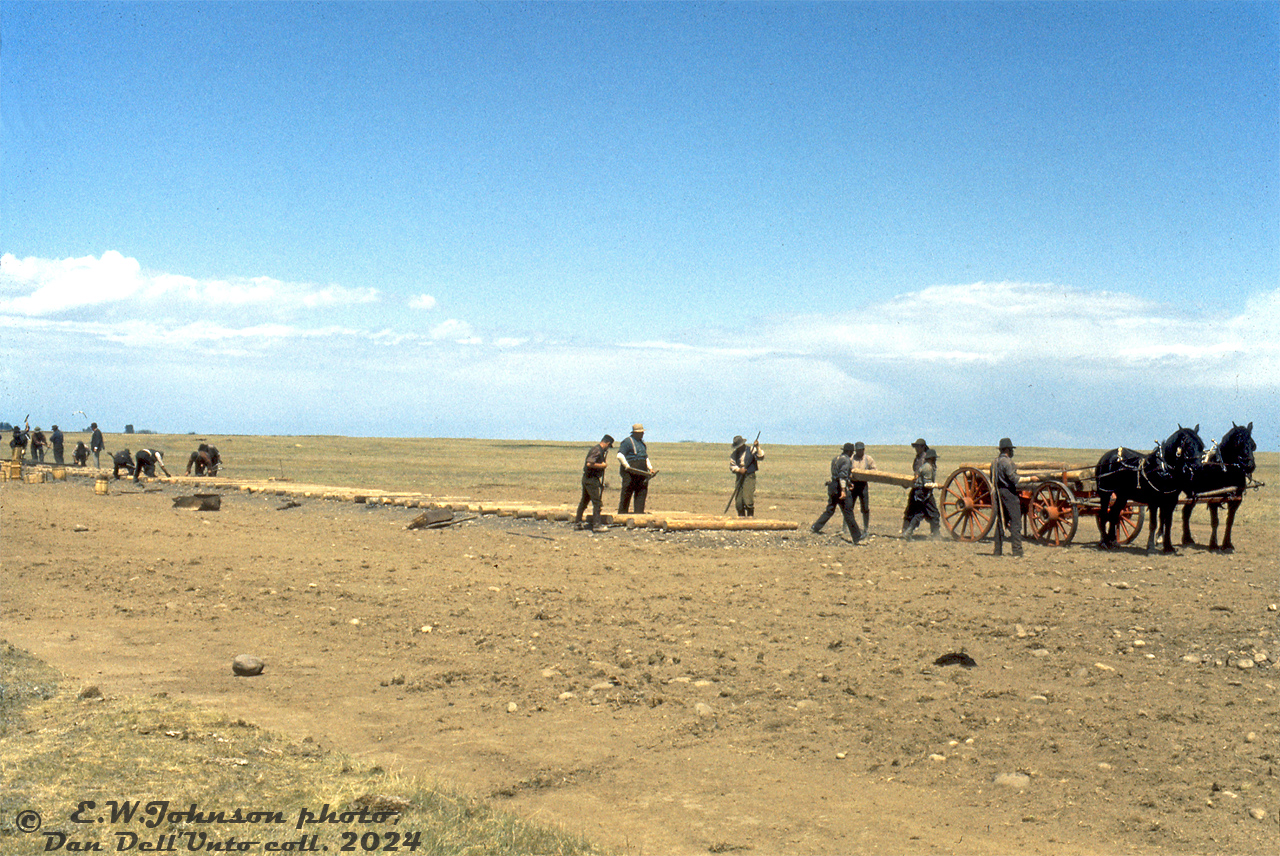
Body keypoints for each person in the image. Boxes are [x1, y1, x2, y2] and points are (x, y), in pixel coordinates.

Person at [811, 443, 864, 543]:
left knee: (830, 509)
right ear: (849, 452)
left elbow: (837, 474)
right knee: (848, 512)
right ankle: (857, 537)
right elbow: (842, 475)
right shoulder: (846, 460)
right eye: (852, 452)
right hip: (839, 488)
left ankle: (815, 527)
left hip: (832, 487)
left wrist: (848, 483)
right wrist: (843, 490)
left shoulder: (835, 459)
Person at [574, 434, 614, 531]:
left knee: (584, 501)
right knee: (597, 502)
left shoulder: (598, 450)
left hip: (589, 479)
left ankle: (577, 523)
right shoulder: (596, 450)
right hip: (591, 479)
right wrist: (602, 465)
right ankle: (597, 525)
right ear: (607, 443)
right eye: (608, 446)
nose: (608, 448)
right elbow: (589, 463)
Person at [992, 438, 1023, 557]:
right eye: (1011, 449)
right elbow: (1014, 479)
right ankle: (1017, 551)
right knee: (1015, 522)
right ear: (1007, 450)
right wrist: (1030, 479)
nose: (1012, 452)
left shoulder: (994, 462)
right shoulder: (1007, 462)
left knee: (1001, 522)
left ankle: (997, 551)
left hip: (999, 493)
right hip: (1009, 494)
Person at [617, 424, 657, 514]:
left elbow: (645, 457)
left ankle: (639, 514)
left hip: (642, 472)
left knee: (641, 492)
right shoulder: (627, 442)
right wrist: (627, 466)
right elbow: (620, 455)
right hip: (630, 472)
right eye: (640, 432)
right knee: (627, 492)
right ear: (635, 433)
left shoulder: (642, 444)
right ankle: (622, 514)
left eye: (642, 432)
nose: (642, 434)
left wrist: (650, 468)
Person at [902, 448, 941, 539]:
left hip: (921, 493)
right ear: (931, 458)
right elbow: (927, 484)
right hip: (924, 493)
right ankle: (936, 535)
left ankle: (909, 532)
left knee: (920, 513)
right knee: (933, 513)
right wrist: (937, 485)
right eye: (934, 458)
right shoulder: (927, 467)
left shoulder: (926, 466)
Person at [728, 434, 765, 517]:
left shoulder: (751, 450)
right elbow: (732, 466)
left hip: (749, 476)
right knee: (738, 503)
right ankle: (741, 519)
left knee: (748, 500)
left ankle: (750, 518)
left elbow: (761, 456)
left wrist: (758, 447)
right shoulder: (735, 454)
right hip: (740, 476)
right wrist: (739, 470)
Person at [900, 438, 929, 534]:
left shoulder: (925, 458)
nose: (916, 449)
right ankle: (906, 530)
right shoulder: (918, 458)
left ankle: (907, 530)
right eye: (915, 447)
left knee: (921, 511)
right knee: (912, 509)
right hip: (917, 486)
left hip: (922, 487)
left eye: (918, 447)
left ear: (923, 447)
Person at [848, 441, 876, 534]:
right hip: (853, 484)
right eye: (858, 450)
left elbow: (874, 470)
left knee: (865, 507)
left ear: (864, 450)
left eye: (861, 450)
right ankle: (847, 527)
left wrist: (867, 474)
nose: (860, 452)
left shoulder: (868, 459)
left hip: (863, 485)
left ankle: (866, 528)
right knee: (849, 506)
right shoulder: (851, 458)